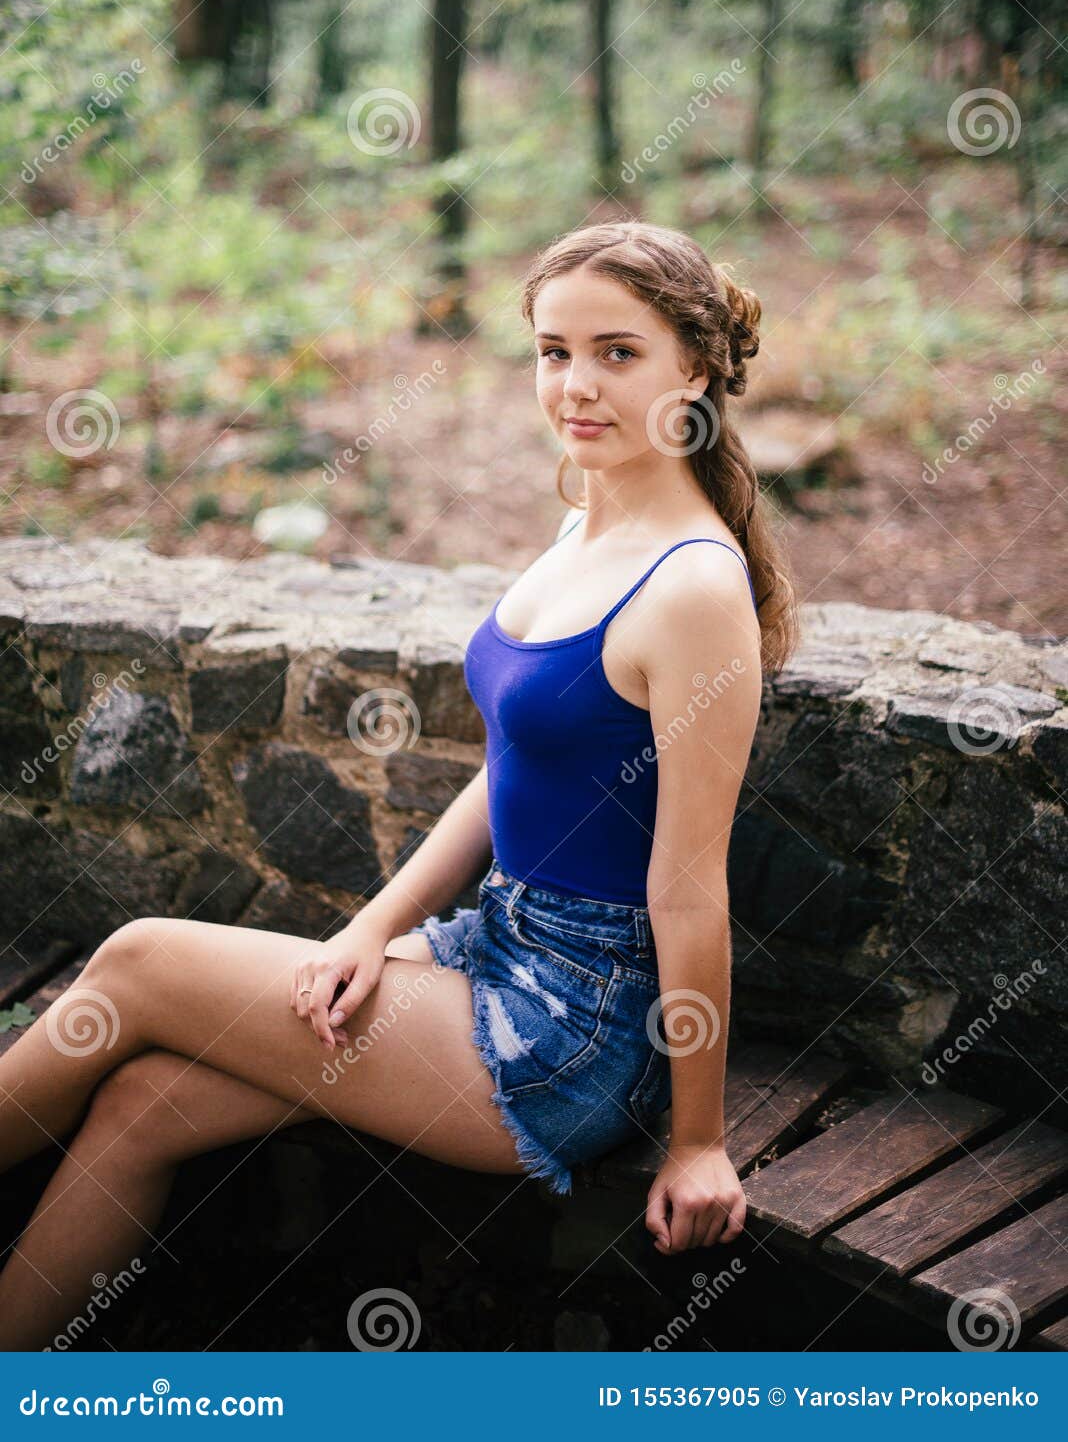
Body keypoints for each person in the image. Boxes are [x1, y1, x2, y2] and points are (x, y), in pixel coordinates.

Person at [0, 220, 798, 1349]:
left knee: (134, 961)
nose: (575, 384)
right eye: (553, 350)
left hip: (571, 1026)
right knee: (144, 1102)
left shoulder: (693, 586)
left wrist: (698, 1140)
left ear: (697, 368)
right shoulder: (586, 519)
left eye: (618, 353)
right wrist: (374, 928)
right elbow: (507, 772)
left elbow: (688, 889)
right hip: (490, 946)